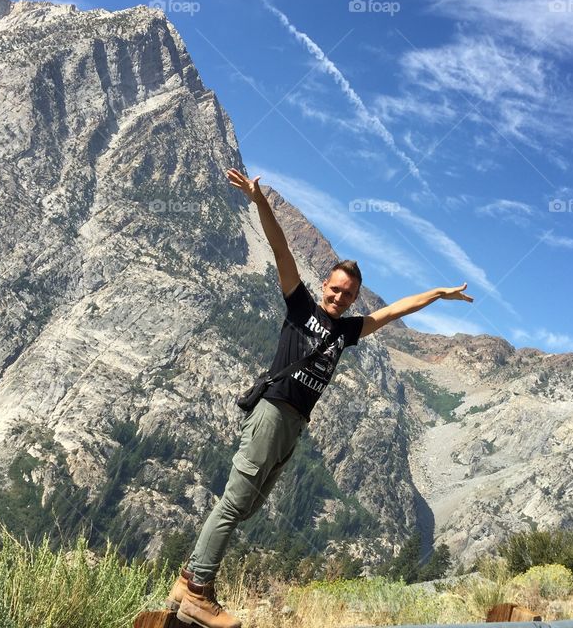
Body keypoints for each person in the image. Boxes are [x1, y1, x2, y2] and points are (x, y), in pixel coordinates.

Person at [168, 168, 473, 628]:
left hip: (292, 426)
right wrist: (259, 201)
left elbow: (392, 310)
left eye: (346, 293)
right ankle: (197, 591)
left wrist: (437, 294)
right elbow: (281, 248)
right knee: (233, 503)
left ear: (352, 299)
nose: (338, 296)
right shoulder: (300, 306)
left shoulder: (348, 331)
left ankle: (190, 575)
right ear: (323, 285)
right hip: (271, 412)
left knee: (247, 507)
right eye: (333, 288)